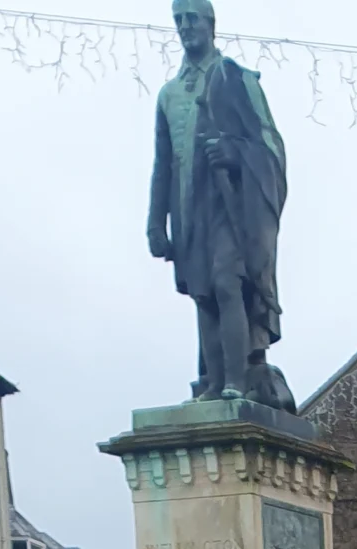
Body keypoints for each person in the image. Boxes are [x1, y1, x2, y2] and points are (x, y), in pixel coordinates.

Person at [149, 0, 293, 408]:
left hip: (231, 205)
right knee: (203, 293)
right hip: (188, 208)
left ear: (210, 23)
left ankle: (237, 380)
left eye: (191, 18)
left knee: (228, 282)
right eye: (178, 20)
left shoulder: (234, 77)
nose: (184, 26)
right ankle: (213, 383)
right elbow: (163, 164)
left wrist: (233, 152)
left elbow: (270, 143)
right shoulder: (169, 94)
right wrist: (155, 223)